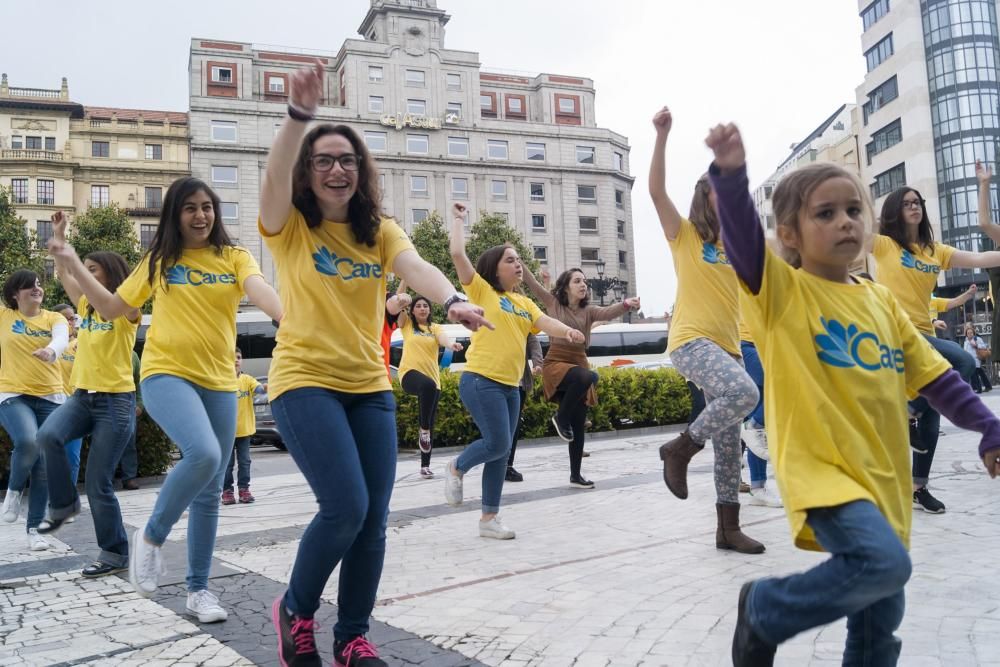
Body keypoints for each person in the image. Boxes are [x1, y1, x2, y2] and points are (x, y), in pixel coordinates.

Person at [702, 122, 1000, 666]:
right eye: (825, 213)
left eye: (853, 211)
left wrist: (988, 426)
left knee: (878, 630)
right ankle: (766, 608)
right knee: (884, 565)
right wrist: (730, 176)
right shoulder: (782, 293)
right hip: (825, 474)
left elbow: (934, 376)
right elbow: (745, 244)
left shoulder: (881, 302)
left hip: (884, 478)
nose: (845, 221)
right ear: (789, 233)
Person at [259, 60, 491, 667]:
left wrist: (455, 299)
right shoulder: (289, 229)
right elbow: (272, 174)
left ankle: (352, 638)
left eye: (348, 161)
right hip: (304, 380)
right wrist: (297, 118)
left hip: (369, 385)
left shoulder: (380, 230)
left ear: (361, 173)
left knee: (373, 522)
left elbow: (417, 268)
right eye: (324, 161)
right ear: (309, 174)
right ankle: (295, 611)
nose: (337, 170)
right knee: (346, 507)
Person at [48, 176, 283, 624]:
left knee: (210, 489)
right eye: (190, 208)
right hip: (166, 374)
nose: (201, 216)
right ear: (175, 215)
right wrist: (73, 260)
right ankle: (152, 537)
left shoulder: (235, 257)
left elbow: (259, 291)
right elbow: (113, 307)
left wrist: (286, 317)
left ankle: (198, 591)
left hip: (219, 382)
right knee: (206, 454)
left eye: (207, 207)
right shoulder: (160, 260)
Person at [648, 106, 764, 554]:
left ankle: (727, 529)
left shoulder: (737, 245)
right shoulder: (686, 235)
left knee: (730, 445)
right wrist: (662, 137)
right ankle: (681, 448)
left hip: (729, 348)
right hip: (691, 341)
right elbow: (656, 192)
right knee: (746, 394)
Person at [446, 202, 585, 537]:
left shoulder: (523, 302)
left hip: (511, 385)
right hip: (481, 379)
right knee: (496, 444)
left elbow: (544, 321)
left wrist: (565, 331)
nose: (518, 265)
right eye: (510, 260)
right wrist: (458, 220)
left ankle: (489, 520)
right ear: (495, 268)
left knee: (501, 451)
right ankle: (456, 466)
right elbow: (457, 254)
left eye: (519, 260)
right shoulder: (481, 289)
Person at [870, 168, 1000, 514]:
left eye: (918, 203)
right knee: (964, 361)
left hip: (923, 334)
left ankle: (918, 488)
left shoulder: (934, 251)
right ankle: (908, 409)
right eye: (907, 203)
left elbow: (978, 258)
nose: (914, 207)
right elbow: (851, 229)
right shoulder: (884, 244)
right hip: (893, 331)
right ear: (896, 211)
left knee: (932, 417)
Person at [36, 222, 141, 579]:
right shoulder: (85, 305)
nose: (86, 277)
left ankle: (114, 553)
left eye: (93, 271)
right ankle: (64, 503)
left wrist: (73, 258)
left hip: (115, 401)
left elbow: (90, 285)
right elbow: (66, 273)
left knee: (98, 484)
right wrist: (60, 243)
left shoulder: (129, 307)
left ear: (109, 274)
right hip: (82, 397)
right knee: (48, 436)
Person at [522, 267, 639, 487]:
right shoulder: (553, 303)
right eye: (577, 281)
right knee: (589, 377)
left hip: (578, 361)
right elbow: (533, 285)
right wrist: (517, 259)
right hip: (556, 362)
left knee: (577, 425)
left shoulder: (589, 312)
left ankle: (575, 475)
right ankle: (560, 417)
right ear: (566, 286)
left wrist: (626, 304)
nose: (583, 285)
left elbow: (608, 312)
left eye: (584, 281)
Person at [0, 270, 69, 551]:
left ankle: (34, 530)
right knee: (28, 441)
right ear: (15, 294)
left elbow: (62, 339)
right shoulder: (5, 316)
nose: (36, 289)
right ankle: (14, 491)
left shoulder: (55, 317)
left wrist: (52, 351)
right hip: (13, 393)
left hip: (51, 397)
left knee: (43, 466)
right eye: (28, 286)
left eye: (38, 284)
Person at [396, 291, 463, 479]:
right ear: (412, 311)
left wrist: (451, 345)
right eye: (418, 306)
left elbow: (444, 339)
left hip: (433, 381)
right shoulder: (407, 325)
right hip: (409, 375)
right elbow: (398, 303)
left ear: (430, 309)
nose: (422, 308)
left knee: (430, 420)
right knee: (427, 387)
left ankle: (425, 466)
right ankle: (423, 430)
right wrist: (402, 288)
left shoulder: (435, 328)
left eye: (425, 305)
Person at [737, 317, 781, 508]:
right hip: (745, 344)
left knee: (759, 414)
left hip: (766, 345)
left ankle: (758, 488)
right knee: (780, 379)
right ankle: (753, 424)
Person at [221, 347, 267, 504]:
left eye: (239, 357)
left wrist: (265, 387)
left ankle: (244, 490)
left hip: (245, 431)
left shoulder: (247, 379)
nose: (236, 360)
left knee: (245, 461)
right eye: (232, 357)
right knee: (227, 465)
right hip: (225, 432)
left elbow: (259, 389)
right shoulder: (221, 380)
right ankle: (227, 491)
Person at [52, 302, 83, 487]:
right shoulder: (47, 342)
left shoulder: (80, 344)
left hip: (73, 408)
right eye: (66, 318)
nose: (70, 322)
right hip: (49, 404)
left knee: (71, 458)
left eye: (73, 318)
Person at [504, 334, 543, 483]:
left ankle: (507, 465)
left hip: (518, 383)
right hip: (495, 382)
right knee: (499, 426)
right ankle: (496, 464)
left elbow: (533, 342)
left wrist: (537, 363)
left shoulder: (521, 319)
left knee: (513, 425)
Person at [118, 350, 143, 491]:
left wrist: (139, 403)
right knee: (106, 440)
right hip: (108, 396)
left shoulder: (133, 356)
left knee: (129, 441)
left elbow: (138, 380)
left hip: (129, 398)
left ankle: (129, 478)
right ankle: (105, 478)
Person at [963, 323, 993, 393]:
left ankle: (979, 389)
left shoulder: (977, 338)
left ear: (973, 332)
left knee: (975, 374)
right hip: (969, 360)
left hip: (976, 359)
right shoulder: (966, 341)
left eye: (971, 332)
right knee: (979, 373)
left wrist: (976, 345)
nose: (969, 334)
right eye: (968, 333)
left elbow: (984, 346)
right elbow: (965, 350)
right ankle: (987, 386)